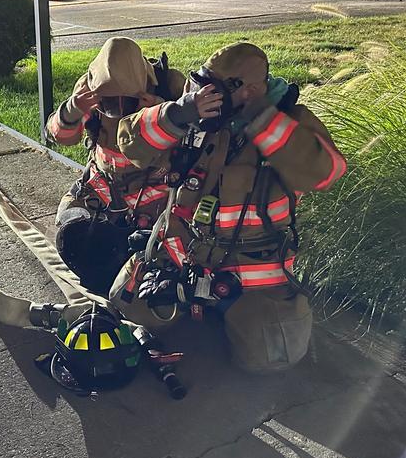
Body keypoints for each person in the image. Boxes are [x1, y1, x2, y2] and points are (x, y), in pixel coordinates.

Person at [109, 42, 347, 373]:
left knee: (271, 358)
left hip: (250, 273)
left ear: (249, 91)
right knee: (125, 306)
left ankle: (237, 314)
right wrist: (177, 113)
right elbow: (129, 142)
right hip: (183, 257)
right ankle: (189, 301)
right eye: (201, 84)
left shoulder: (290, 122)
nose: (204, 95)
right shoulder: (197, 117)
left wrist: (261, 121)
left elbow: (326, 174)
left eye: (215, 89)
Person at [48, 36, 186, 294]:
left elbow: (202, 138)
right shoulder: (88, 90)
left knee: (165, 257)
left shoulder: (171, 86)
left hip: (159, 195)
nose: (120, 111)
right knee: (72, 228)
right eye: (110, 103)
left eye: (128, 102)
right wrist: (72, 111)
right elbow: (59, 136)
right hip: (105, 190)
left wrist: (164, 115)